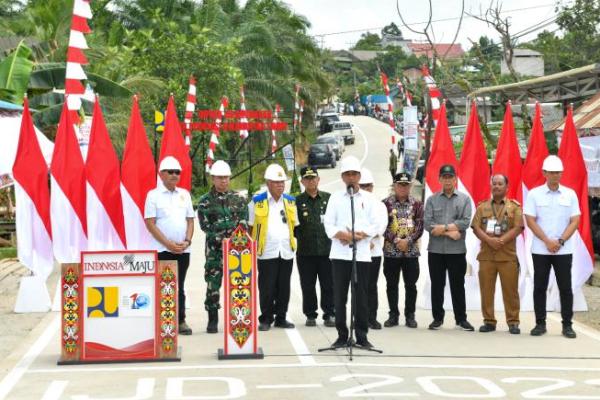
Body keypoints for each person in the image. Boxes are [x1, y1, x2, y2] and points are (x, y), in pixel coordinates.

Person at [324, 156, 379, 349]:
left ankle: (362, 336)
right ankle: (341, 335)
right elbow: (328, 224)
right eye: (347, 174)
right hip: (339, 255)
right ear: (342, 177)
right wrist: (342, 234)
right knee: (339, 297)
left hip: (362, 255)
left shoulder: (369, 199)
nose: (351, 177)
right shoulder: (335, 198)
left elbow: (376, 224)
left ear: (359, 176)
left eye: (354, 174)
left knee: (361, 297)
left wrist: (361, 234)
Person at [524, 155, 581, 339]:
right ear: (544, 173)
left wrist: (561, 241)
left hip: (564, 250)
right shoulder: (534, 194)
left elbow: (575, 220)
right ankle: (540, 324)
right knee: (540, 286)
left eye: (558, 172)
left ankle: (567, 325)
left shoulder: (570, 194)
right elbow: (530, 220)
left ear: (562, 173)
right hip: (541, 249)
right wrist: (547, 241)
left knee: (565, 288)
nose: (555, 176)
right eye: (552, 172)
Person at [145, 156, 195, 335]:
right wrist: (168, 244)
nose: (175, 175)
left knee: (179, 285)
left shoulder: (185, 194)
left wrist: (187, 241)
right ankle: (163, 323)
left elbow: (190, 221)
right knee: (164, 285)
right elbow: (150, 224)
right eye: (171, 172)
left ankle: (180, 321)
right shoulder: (153, 195)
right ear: (161, 174)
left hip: (183, 249)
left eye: (177, 172)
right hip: (163, 249)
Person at [197, 160, 248, 334]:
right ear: (213, 178)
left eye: (226, 177)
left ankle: (238, 317)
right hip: (214, 252)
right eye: (220, 178)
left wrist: (234, 241)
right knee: (213, 285)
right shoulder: (204, 202)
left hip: (237, 251)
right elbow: (205, 227)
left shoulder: (239, 199)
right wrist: (222, 239)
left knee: (239, 285)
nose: (223, 181)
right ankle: (212, 319)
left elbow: (243, 224)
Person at [248, 163, 299, 331]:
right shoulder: (257, 202)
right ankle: (266, 318)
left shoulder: (290, 202)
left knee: (284, 286)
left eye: (282, 182)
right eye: (277, 182)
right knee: (267, 287)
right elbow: (250, 227)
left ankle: (281, 317)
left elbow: (295, 226)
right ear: (268, 183)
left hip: (286, 250)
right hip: (267, 251)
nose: (280, 185)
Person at [424, 164, 474, 332]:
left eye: (450, 177)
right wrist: (449, 231)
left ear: (455, 179)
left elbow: (465, 222)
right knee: (437, 285)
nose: (447, 180)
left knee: (457, 285)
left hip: (457, 251)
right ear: (439, 179)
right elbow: (428, 224)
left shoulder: (464, 199)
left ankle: (461, 319)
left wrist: (442, 228)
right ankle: (437, 319)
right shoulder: (431, 199)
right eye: (444, 177)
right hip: (436, 250)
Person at [471, 175, 523, 334]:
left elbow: (518, 227)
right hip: (487, 256)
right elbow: (476, 227)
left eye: (500, 184)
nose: (497, 186)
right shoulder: (482, 207)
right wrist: (489, 240)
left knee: (511, 291)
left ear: (507, 187)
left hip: (507, 256)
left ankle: (513, 322)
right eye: (494, 183)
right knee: (486, 291)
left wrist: (501, 240)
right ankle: (489, 321)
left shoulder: (514, 207)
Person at [295, 166, 335, 328]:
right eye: (307, 178)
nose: (311, 181)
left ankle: (330, 313)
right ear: (303, 181)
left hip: (327, 250)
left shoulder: (329, 198)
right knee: (307, 285)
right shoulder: (297, 201)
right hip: (305, 251)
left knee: (329, 284)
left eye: (313, 178)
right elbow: (293, 226)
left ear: (318, 180)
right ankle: (310, 315)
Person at [382, 172, 424, 328]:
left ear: (410, 186)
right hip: (391, 252)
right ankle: (393, 315)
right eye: (400, 184)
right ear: (394, 185)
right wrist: (396, 240)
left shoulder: (417, 204)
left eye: (406, 185)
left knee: (411, 285)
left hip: (411, 252)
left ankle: (410, 315)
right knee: (391, 284)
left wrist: (409, 241)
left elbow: (420, 225)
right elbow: (382, 225)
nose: (403, 188)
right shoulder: (385, 204)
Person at [358, 168, 388, 330]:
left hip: (374, 252)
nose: (366, 189)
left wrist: (368, 238)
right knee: (358, 286)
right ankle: (359, 317)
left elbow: (381, 226)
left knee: (371, 286)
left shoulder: (379, 206)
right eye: (362, 186)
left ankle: (372, 317)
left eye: (368, 186)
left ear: (373, 187)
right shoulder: (353, 202)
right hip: (356, 251)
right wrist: (363, 241)